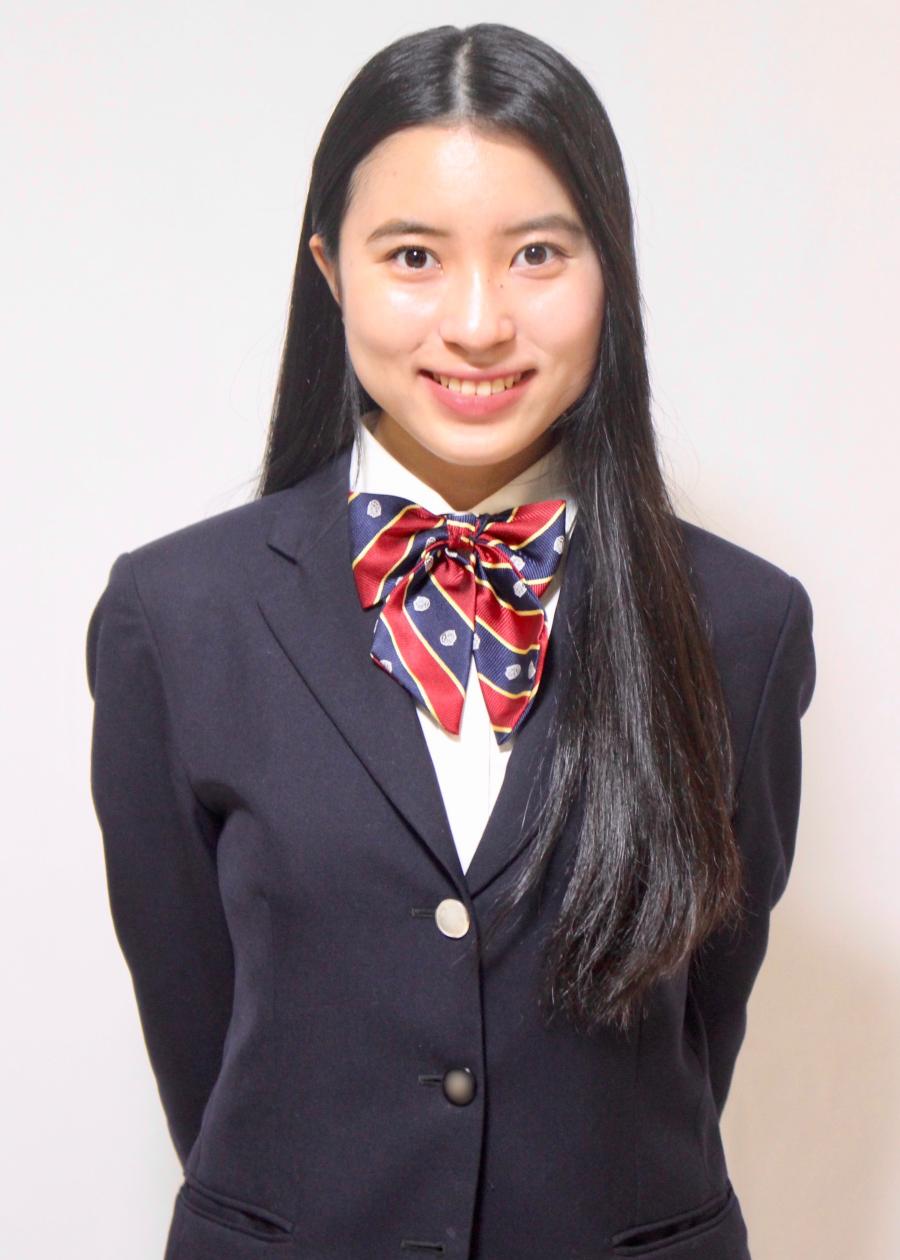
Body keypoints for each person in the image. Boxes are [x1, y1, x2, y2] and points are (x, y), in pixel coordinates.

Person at [85, 22, 816, 1260]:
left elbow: (699, 1031)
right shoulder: (176, 615)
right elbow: (203, 1037)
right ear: (331, 270)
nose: (479, 323)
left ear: (611, 268)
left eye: (537, 254)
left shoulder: (744, 623)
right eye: (414, 256)